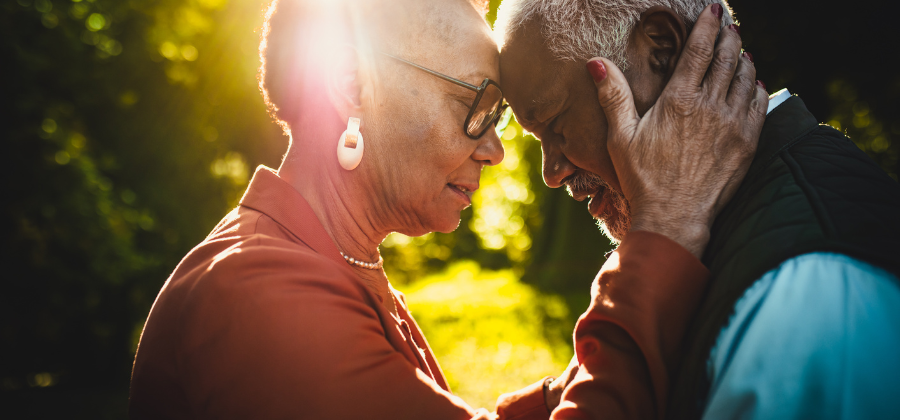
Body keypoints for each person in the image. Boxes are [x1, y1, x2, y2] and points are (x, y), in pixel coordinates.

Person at [128, 0, 764, 419]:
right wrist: (664, 232)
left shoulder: (326, 262)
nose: (496, 152)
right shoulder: (258, 298)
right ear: (353, 83)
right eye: (479, 105)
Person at [496, 0, 900, 419]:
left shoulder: (810, 298)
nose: (552, 173)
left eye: (556, 124)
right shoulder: (716, 242)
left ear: (662, 50)